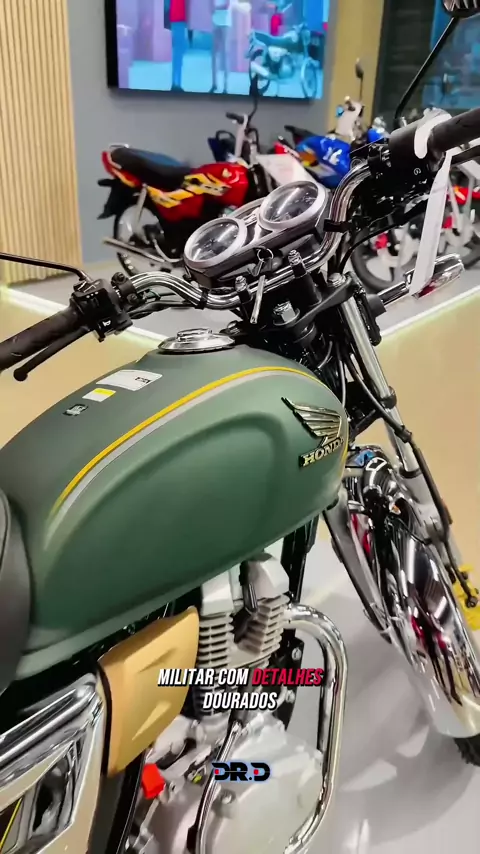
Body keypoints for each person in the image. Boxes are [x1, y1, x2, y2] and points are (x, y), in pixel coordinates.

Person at [211, 0, 232, 94]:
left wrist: (215, 8)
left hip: (225, 22)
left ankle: (226, 86)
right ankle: (214, 83)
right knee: (214, 53)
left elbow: (227, 5)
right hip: (215, 21)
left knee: (225, 53)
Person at [170, 0, 190, 91]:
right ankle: (176, 83)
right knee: (178, 54)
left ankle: (175, 82)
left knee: (177, 53)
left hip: (175, 17)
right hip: (180, 18)